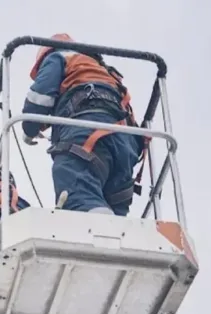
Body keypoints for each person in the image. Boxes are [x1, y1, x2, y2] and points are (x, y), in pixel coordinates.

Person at [20, 33, 147, 216]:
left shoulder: (57, 57)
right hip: (126, 143)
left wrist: (29, 129)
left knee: (75, 185)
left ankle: (100, 235)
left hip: (88, 132)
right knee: (115, 208)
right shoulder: (101, 69)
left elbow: (40, 99)